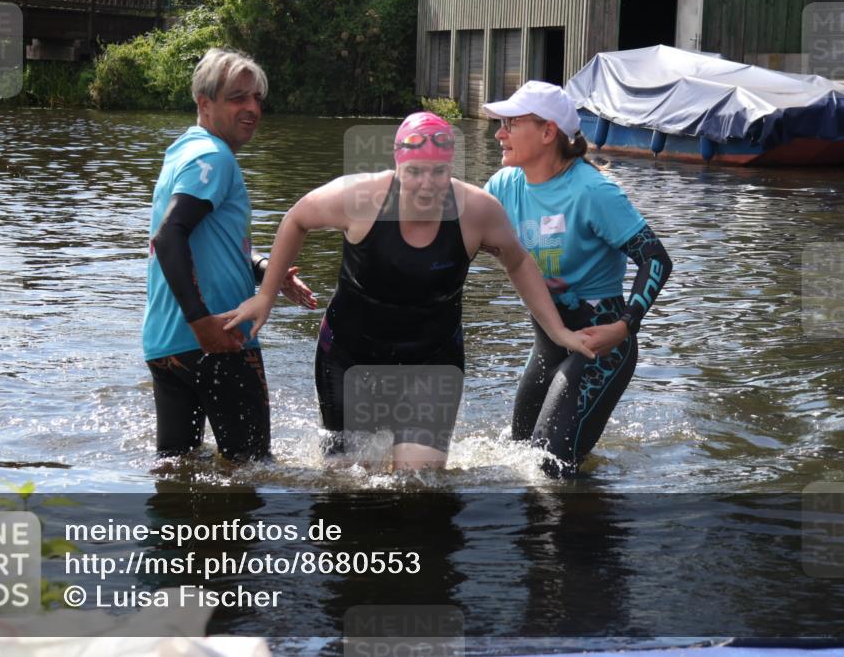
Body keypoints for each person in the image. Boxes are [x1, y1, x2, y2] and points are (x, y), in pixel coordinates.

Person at [221, 111, 594, 471]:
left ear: (452, 170)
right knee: (351, 479)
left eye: (439, 172)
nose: (427, 184)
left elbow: (518, 261)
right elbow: (296, 219)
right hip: (352, 356)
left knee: (418, 483)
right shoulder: (360, 198)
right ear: (397, 166)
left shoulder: (477, 211)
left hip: (433, 359)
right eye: (414, 172)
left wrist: (557, 331)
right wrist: (267, 294)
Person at [482, 80, 673, 477]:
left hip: (599, 349)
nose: (498, 133)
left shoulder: (593, 193)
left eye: (510, 124)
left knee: (547, 467)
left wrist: (624, 328)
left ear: (548, 131)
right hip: (549, 347)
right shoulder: (502, 187)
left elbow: (656, 259)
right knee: (516, 457)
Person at [142, 48, 315, 461]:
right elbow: (168, 239)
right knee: (252, 472)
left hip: (165, 345)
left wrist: (264, 270)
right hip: (220, 338)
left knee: (177, 472)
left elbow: (209, 240)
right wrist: (202, 322)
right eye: (238, 97)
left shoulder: (185, 150)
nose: (252, 108)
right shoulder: (214, 158)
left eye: (257, 98)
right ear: (205, 103)